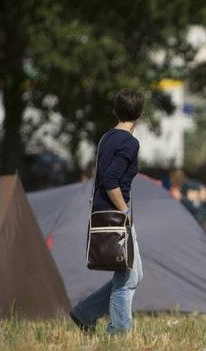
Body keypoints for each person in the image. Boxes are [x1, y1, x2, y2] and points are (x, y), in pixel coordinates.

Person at [69, 88, 145, 335]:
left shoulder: (106, 138)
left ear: (116, 110)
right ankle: (118, 333)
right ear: (140, 113)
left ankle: (85, 313)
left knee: (134, 273)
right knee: (127, 279)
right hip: (116, 215)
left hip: (102, 211)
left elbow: (101, 175)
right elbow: (111, 179)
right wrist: (125, 211)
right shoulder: (130, 142)